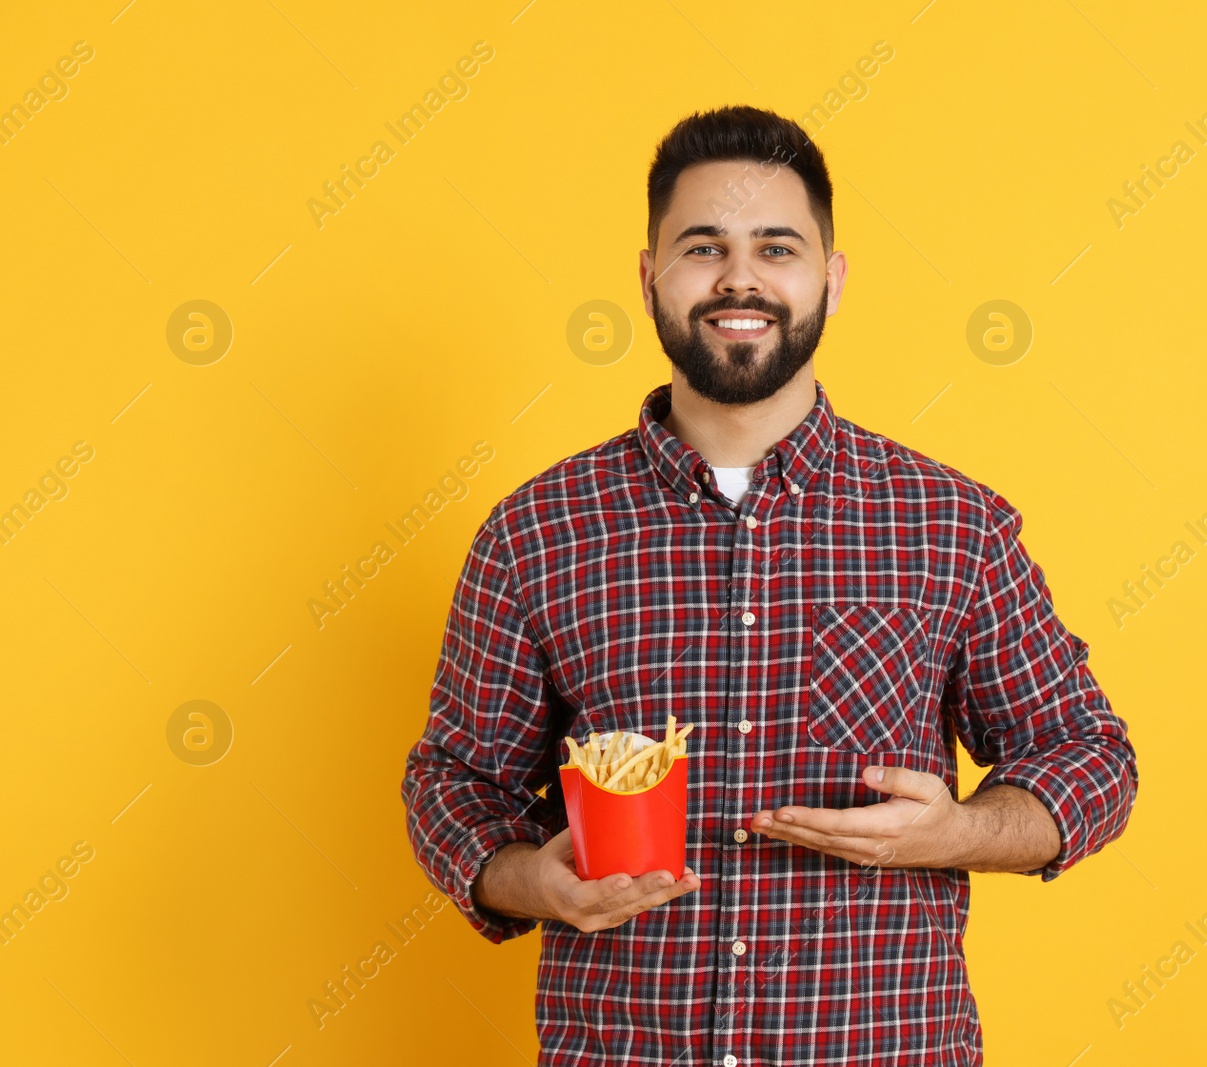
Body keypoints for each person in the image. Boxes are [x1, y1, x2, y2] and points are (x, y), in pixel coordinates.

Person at [401, 104, 1138, 1066]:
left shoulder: (952, 525)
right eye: (703, 247)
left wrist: (959, 831)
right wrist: (530, 881)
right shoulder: (538, 530)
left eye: (776, 247)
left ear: (830, 279)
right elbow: (454, 782)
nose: (740, 278)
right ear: (649, 274)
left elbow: (1089, 757)